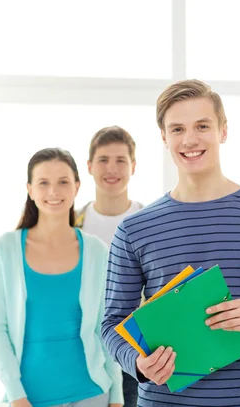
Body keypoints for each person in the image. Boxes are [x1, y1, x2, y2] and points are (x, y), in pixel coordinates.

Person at [101, 79, 240, 406]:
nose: (189, 139)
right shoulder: (135, 228)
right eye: (177, 129)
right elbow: (111, 323)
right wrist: (137, 363)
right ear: (163, 137)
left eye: (202, 126)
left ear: (223, 130)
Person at [0, 148, 124, 407]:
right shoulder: (5, 249)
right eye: (43, 183)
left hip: (91, 393)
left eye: (63, 182)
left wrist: (117, 397)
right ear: (30, 190)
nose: (54, 192)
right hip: (28, 399)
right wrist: (16, 396)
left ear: (77, 187)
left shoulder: (96, 251)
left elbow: (105, 327)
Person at [75, 125, 144, 406]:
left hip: (135, 350)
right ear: (89, 166)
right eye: (103, 160)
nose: (111, 169)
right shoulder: (71, 223)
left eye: (120, 160)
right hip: (82, 350)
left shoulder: (148, 221)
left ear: (133, 167)